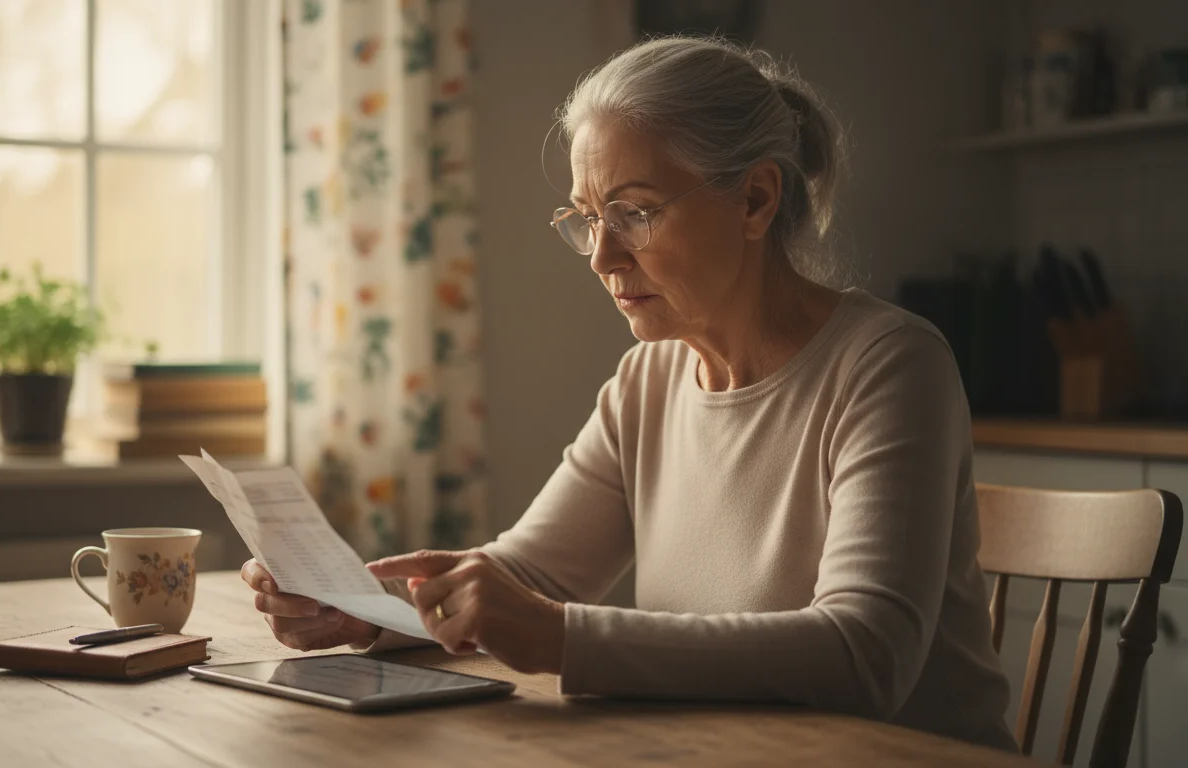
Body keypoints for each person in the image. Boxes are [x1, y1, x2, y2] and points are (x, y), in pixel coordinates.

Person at [243, 36, 1015, 751]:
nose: (602, 257)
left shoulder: (888, 364)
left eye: (634, 213)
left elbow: (865, 654)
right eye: (587, 218)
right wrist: (361, 609)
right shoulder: (648, 382)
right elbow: (528, 580)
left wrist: (560, 637)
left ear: (755, 200)